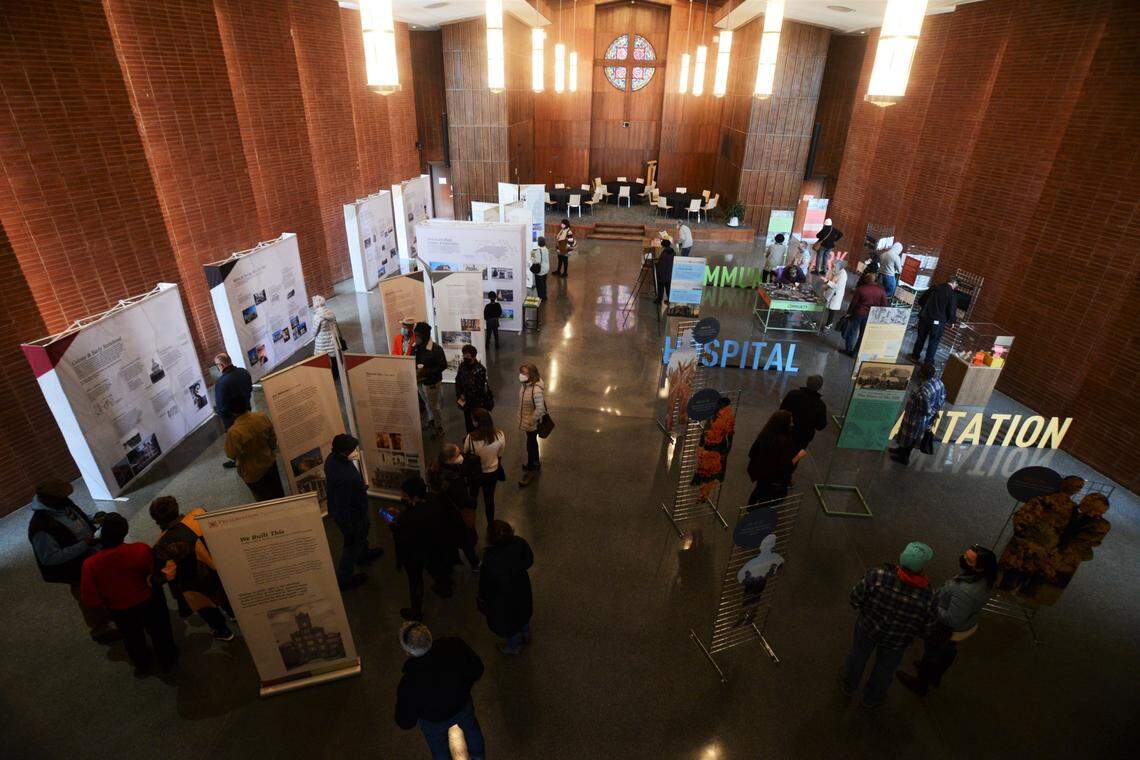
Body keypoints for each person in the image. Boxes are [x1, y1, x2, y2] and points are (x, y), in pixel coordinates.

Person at [80, 513, 178, 676]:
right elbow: (153, 572)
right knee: (159, 631)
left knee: (132, 638)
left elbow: (90, 598)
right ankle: (167, 659)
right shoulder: (140, 549)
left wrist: (106, 603)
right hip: (148, 600)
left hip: (119, 609)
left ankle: (142, 664)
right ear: (124, 532)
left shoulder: (90, 564)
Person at [841, 542, 936, 708]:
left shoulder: (877, 576)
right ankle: (871, 699)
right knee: (885, 669)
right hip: (897, 641)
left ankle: (848, 686)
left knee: (857, 657)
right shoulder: (928, 595)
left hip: (868, 629)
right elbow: (926, 628)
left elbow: (855, 598)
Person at [896, 545, 998, 696]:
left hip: (946, 628)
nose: (963, 559)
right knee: (947, 650)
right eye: (965, 555)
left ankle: (921, 683)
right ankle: (935, 675)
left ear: (979, 568)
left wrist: (932, 604)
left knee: (933, 651)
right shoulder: (984, 579)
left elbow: (952, 619)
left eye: (968, 560)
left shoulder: (965, 591)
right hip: (967, 622)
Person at [27, 479, 117, 643]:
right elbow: (50, 558)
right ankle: (100, 631)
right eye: (62, 497)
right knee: (87, 600)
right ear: (48, 499)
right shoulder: (40, 526)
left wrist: (94, 519)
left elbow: (78, 519)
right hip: (75, 571)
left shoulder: (62, 505)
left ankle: (108, 613)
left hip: (92, 558)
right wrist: (84, 544)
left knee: (101, 591)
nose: (67, 499)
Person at [394, 623, 486, 760]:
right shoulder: (455, 646)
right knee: (472, 732)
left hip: (434, 722)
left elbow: (405, 722)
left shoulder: (409, 683)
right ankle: (479, 757)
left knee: (438, 748)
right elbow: (477, 669)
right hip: (462, 706)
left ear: (407, 652)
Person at [148, 496, 235, 641]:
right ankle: (233, 614)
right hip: (217, 567)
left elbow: (169, 574)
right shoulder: (198, 514)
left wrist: (153, 580)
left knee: (206, 608)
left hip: (194, 582)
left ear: (156, 519)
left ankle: (223, 631)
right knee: (224, 595)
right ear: (176, 508)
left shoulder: (162, 544)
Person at [997, 475, 1086, 597]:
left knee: (1023, 576)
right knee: (1013, 574)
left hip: (1042, 548)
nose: (1077, 488)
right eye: (1076, 485)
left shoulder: (1070, 508)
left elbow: (1067, 532)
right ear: (1065, 484)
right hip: (1028, 545)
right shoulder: (1045, 500)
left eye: (1079, 487)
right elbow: (1022, 517)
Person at [393, 476, 463, 620]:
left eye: (404, 493)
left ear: (413, 496)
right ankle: (445, 588)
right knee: (437, 569)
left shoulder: (409, 518)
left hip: (416, 554)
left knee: (415, 581)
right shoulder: (434, 500)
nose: (401, 495)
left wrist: (392, 519)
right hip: (437, 548)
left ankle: (416, 612)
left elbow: (400, 535)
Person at [326, 434, 383, 590]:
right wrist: (349, 529)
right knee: (351, 545)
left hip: (354, 511)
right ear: (344, 452)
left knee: (363, 532)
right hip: (352, 517)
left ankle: (363, 554)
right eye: (352, 449)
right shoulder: (344, 478)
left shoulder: (332, 459)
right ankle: (344, 578)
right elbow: (343, 505)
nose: (355, 451)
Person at [478, 520, 534, 655]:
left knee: (510, 625)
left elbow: (485, 585)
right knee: (523, 612)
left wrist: (482, 598)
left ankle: (514, 647)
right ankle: (526, 633)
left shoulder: (490, 559)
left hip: (502, 598)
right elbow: (529, 560)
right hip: (521, 587)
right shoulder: (520, 543)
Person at [429, 445, 480, 571]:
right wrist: (473, 502)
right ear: (450, 460)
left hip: (445, 512)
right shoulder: (454, 479)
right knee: (466, 540)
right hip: (458, 514)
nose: (461, 456)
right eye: (458, 455)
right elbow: (464, 500)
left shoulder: (436, 470)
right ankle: (475, 564)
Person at [223, 404, 284, 501]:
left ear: (233, 413)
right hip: (269, 462)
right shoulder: (261, 416)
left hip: (252, 472)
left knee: (263, 499)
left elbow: (231, 454)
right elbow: (272, 439)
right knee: (278, 492)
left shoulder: (233, 432)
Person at [890, 363, 946, 465]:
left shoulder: (923, 391)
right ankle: (900, 450)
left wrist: (921, 411)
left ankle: (904, 457)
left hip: (916, 418)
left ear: (922, 375)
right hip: (927, 418)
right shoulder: (938, 382)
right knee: (910, 437)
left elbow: (925, 409)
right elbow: (942, 398)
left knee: (910, 437)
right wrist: (934, 410)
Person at [746, 410, 805, 504]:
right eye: (790, 421)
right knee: (768, 501)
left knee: (759, 491)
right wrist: (798, 455)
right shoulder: (784, 442)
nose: (792, 424)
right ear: (784, 425)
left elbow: (752, 453)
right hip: (775, 479)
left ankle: (750, 510)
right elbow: (786, 467)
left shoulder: (764, 434)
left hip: (762, 474)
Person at [463, 408, 506, 528]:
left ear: (476, 422)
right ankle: (491, 524)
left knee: (473, 498)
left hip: (475, 474)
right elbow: (500, 454)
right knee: (489, 499)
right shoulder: (500, 435)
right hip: (492, 472)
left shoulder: (470, 438)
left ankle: (471, 525)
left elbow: (465, 452)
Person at [213, 352, 252, 469]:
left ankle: (239, 460)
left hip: (232, 419)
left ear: (221, 365)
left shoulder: (221, 382)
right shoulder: (244, 372)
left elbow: (221, 407)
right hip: (246, 410)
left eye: (217, 365)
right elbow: (249, 389)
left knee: (236, 441)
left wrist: (221, 413)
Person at [909, 276, 959, 365]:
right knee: (934, 342)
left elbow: (921, 300)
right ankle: (928, 362)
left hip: (925, 318)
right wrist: (952, 322)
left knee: (920, 338)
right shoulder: (952, 294)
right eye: (956, 285)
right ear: (954, 283)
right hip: (938, 322)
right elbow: (951, 310)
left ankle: (914, 356)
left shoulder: (934, 287)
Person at [413, 322, 447, 438]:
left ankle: (439, 427)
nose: (416, 338)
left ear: (424, 335)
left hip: (432, 383)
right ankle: (431, 420)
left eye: (418, 335)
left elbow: (443, 366)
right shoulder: (416, 348)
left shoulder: (436, 349)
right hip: (420, 382)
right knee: (427, 403)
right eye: (415, 335)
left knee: (434, 406)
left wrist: (427, 371)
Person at [842, 272, 889, 356]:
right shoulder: (881, 291)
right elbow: (884, 305)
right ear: (875, 280)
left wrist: (849, 313)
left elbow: (853, 303)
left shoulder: (861, 289)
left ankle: (848, 349)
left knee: (852, 331)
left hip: (858, 313)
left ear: (866, 280)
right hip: (871, 315)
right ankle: (855, 352)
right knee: (863, 334)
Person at [517, 363, 547, 487]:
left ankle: (531, 468)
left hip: (531, 423)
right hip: (526, 421)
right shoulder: (525, 385)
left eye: (524, 373)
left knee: (530, 444)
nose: (521, 375)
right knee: (532, 442)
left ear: (532, 374)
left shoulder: (536, 389)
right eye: (521, 372)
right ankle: (535, 462)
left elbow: (540, 409)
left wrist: (531, 420)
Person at [779, 375, 828, 451]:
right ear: (819, 387)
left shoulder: (792, 394)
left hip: (786, 431)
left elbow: (781, 410)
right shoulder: (820, 405)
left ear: (807, 382)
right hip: (803, 438)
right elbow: (820, 426)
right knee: (794, 458)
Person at [454, 344, 492, 434]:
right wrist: (460, 394)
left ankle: (478, 437)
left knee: (477, 420)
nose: (465, 358)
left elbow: (479, 388)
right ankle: (470, 437)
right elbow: (458, 380)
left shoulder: (480, 369)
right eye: (464, 355)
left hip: (476, 402)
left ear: (473, 356)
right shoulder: (462, 366)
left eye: (467, 356)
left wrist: (465, 395)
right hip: (465, 401)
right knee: (467, 420)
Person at [312, 295, 343, 381]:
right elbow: (335, 324)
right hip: (332, 339)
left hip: (322, 342)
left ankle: (327, 376)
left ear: (316, 305)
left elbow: (314, 332)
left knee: (324, 358)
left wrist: (314, 335)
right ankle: (336, 374)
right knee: (334, 358)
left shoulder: (317, 317)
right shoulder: (330, 312)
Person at [821, 259, 848, 330]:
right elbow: (831, 275)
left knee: (832, 309)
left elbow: (837, 286)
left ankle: (829, 324)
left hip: (836, 294)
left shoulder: (843, 275)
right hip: (831, 292)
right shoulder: (837, 270)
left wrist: (827, 281)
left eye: (834, 266)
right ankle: (828, 322)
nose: (833, 267)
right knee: (830, 308)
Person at [653, 238, 675, 304]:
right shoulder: (673, 252)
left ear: (663, 246)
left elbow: (662, 265)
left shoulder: (664, 254)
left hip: (663, 274)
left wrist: (658, 272)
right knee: (668, 288)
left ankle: (659, 300)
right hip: (670, 273)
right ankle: (669, 300)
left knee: (661, 287)